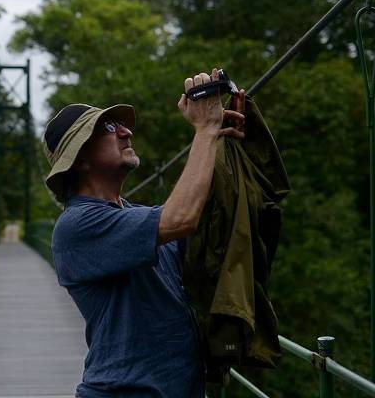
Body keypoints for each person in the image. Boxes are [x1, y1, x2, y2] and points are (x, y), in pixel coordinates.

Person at [43, 69, 246, 398]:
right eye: (109, 128)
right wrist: (205, 130)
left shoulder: (136, 217)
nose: (126, 132)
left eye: (122, 125)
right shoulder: (77, 227)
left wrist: (225, 141)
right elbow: (181, 218)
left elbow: (206, 226)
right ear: (79, 159)